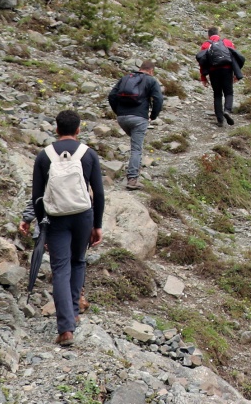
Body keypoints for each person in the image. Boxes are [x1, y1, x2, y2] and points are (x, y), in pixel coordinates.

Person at [20, 109, 103, 347]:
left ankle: (66, 328)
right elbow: (99, 193)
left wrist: (39, 223)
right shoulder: (89, 155)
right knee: (78, 261)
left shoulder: (44, 156)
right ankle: (74, 312)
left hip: (56, 219)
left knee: (60, 268)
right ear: (78, 130)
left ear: (56, 129)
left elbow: (37, 196)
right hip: (83, 216)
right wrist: (97, 225)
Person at [107, 61, 164, 190]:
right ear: (151, 71)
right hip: (139, 118)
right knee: (136, 149)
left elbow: (111, 96)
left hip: (122, 118)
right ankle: (132, 179)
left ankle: (134, 169)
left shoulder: (126, 78)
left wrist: (118, 112)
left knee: (135, 144)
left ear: (140, 68)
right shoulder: (151, 80)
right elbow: (159, 99)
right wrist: (153, 116)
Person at [197, 27, 245, 127]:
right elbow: (234, 57)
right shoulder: (227, 42)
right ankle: (227, 110)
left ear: (208, 35)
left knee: (217, 94)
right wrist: (236, 74)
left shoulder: (206, 44)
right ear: (218, 34)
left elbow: (202, 62)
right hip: (227, 70)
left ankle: (220, 120)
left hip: (213, 71)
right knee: (229, 92)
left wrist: (203, 77)